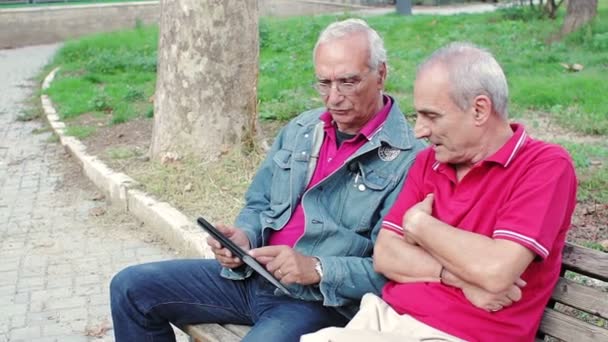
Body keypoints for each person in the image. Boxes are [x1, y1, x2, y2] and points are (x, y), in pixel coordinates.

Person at [110, 18, 425, 342]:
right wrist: (244, 237)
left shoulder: (410, 159)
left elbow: (395, 272)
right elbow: (259, 203)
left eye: (347, 82)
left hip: (319, 302)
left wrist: (317, 268)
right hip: (253, 276)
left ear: (381, 74)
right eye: (324, 83)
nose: (333, 98)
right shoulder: (302, 129)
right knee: (131, 288)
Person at [302, 42, 577, 342]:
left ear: (479, 110)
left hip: (462, 334)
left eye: (431, 116)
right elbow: (386, 255)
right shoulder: (428, 162)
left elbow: (496, 271)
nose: (419, 130)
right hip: (384, 317)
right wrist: (458, 277)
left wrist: (420, 225)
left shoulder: (544, 166)